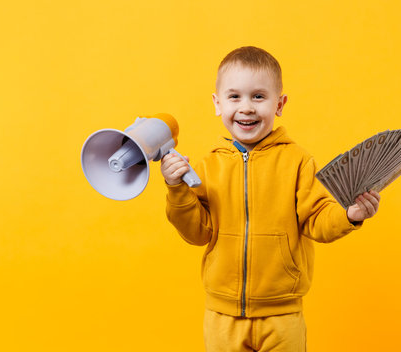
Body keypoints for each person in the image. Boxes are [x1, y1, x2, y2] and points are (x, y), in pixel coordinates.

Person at [161, 46, 380, 352]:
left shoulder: (298, 161)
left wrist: (350, 215)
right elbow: (197, 233)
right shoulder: (207, 166)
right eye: (235, 97)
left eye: (259, 97)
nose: (246, 108)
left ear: (280, 104)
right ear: (217, 103)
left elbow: (317, 219)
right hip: (222, 315)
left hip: (282, 315)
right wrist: (176, 188)